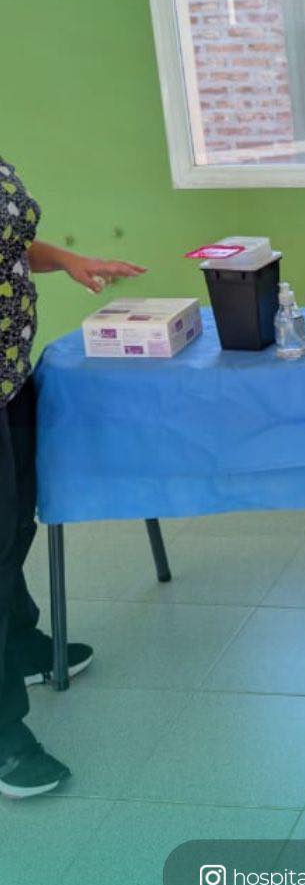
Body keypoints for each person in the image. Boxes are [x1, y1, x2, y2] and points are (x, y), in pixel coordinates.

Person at [0, 154, 145, 797]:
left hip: (8, 376)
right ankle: (5, 736)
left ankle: (20, 643)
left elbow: (10, 242)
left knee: (16, 527)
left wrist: (65, 260)